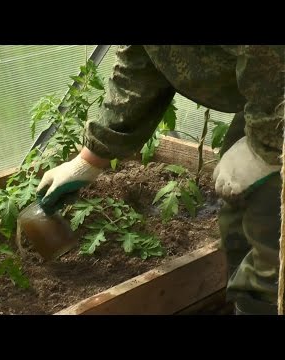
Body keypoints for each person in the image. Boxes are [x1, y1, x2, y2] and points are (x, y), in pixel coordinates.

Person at [36, 45, 285, 315]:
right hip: (269, 96)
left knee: (269, 225)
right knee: (239, 220)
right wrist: (89, 159)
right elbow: (142, 64)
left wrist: (266, 150)